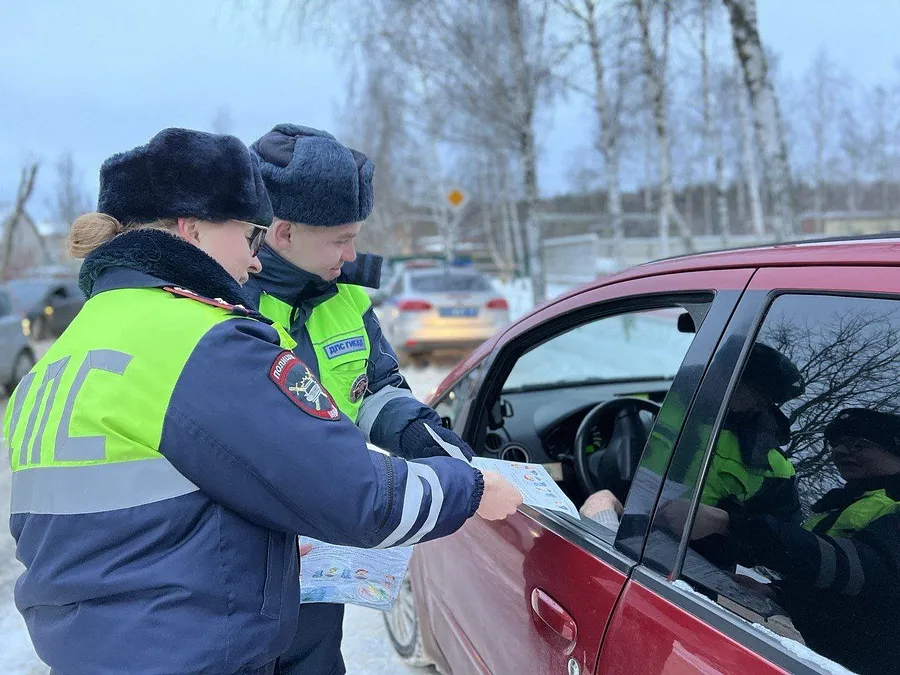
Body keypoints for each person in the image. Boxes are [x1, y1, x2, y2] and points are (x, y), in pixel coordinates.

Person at [4, 128, 522, 675]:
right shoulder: (202, 339)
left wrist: (255, 549)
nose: (254, 262)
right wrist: (472, 487)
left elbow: (123, 524)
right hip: (194, 651)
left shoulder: (65, 353)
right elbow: (356, 495)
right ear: (192, 229)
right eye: (251, 237)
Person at [246, 124, 482, 675]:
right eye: (339, 240)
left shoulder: (345, 294)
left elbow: (373, 389)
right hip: (249, 561)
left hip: (320, 550)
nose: (352, 254)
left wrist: (427, 439)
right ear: (283, 233)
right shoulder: (226, 303)